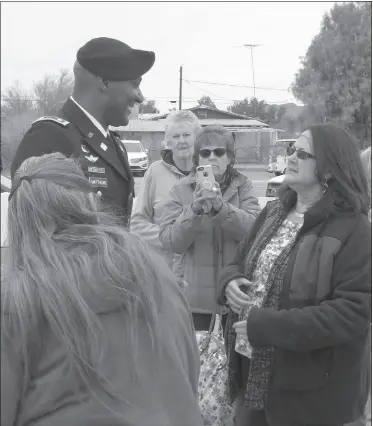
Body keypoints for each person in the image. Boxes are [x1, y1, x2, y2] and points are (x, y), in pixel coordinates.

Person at [1, 153, 204, 426]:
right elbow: (188, 371)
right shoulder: (154, 271)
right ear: (90, 202)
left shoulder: (17, 300)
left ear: (19, 221)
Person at [218, 124, 371, 426]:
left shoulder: (354, 230)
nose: (291, 157)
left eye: (303, 154)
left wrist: (267, 326)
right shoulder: (273, 212)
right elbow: (238, 261)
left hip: (313, 393)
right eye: (291, 150)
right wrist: (230, 281)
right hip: (251, 375)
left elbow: (352, 313)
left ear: (329, 170)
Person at [11, 37, 156, 226]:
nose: (140, 98)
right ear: (104, 82)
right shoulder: (49, 137)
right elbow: (34, 236)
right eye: (135, 84)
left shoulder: (116, 145)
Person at [159, 125, 261, 331]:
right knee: (198, 362)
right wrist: (194, 210)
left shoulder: (244, 186)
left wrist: (221, 208)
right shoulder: (179, 190)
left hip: (236, 296)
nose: (212, 157)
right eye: (205, 153)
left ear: (229, 157)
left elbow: (255, 233)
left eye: (219, 152)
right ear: (198, 160)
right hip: (194, 302)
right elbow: (171, 242)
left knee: (234, 362)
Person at [130, 110, 201, 278]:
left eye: (186, 135)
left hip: (199, 275)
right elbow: (137, 224)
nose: (182, 141)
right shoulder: (154, 172)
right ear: (167, 141)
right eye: (176, 137)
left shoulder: (209, 172)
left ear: (197, 139)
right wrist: (173, 238)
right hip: (163, 274)